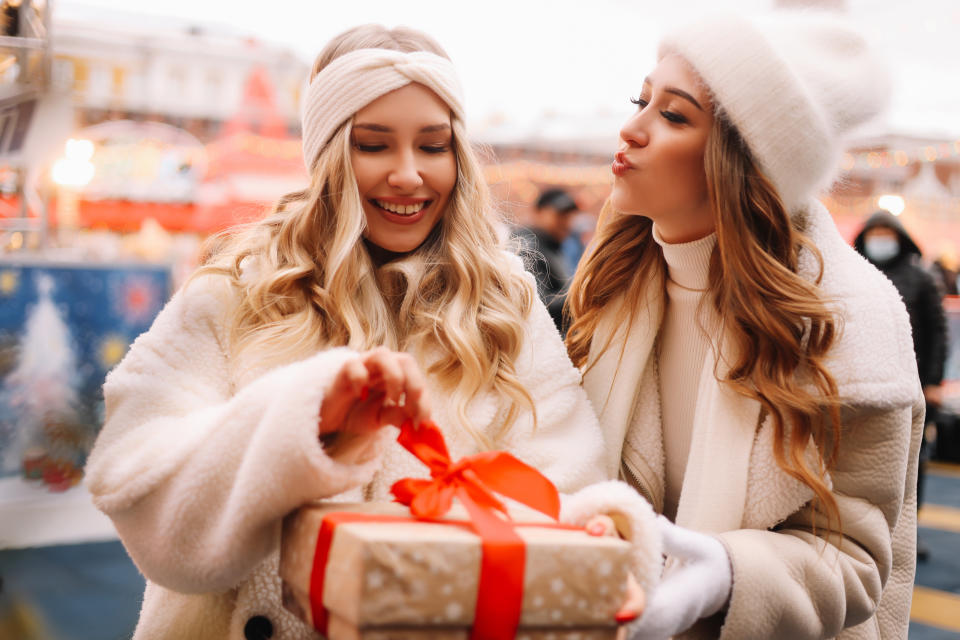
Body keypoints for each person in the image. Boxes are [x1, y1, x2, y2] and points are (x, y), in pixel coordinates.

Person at [83, 25, 657, 640]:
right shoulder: (238, 287)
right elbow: (135, 483)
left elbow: (565, 484)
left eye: (433, 146)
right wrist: (303, 422)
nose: (409, 175)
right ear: (327, 152)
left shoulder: (502, 302)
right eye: (374, 145)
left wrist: (588, 532)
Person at [565, 11, 924, 639]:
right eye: (640, 100)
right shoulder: (617, 280)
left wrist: (725, 577)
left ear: (743, 158)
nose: (631, 128)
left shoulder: (848, 320)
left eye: (673, 115)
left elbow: (860, 563)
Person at [854, 209, 948, 561]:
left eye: (885, 232)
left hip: (913, 387)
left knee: (912, 464)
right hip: (866, 386)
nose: (880, 238)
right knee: (866, 464)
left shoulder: (921, 279)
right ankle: (869, 533)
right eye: (873, 231)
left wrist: (934, 382)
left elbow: (937, 334)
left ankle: (907, 533)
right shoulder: (855, 271)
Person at [515, 187, 579, 332]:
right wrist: (583, 294)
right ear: (538, 213)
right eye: (560, 215)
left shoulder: (551, 245)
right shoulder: (527, 247)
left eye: (570, 216)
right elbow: (537, 305)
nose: (567, 222)